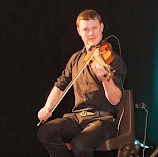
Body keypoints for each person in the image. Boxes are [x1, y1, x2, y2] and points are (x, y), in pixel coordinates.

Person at [37, 9, 127, 157]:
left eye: (94, 28)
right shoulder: (75, 59)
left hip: (103, 120)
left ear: (102, 27)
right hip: (78, 117)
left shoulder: (113, 60)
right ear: (79, 31)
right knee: (46, 132)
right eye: (86, 29)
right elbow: (60, 86)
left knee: (80, 145)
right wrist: (48, 107)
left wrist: (106, 80)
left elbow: (116, 99)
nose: (91, 33)